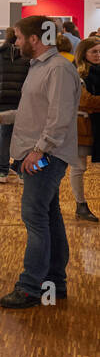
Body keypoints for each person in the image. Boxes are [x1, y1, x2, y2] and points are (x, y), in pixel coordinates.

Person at [0, 16, 81, 308]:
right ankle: (53, 282)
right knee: (48, 217)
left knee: (35, 217)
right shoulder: (41, 67)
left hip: (45, 157)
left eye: (19, 37)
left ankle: (30, 287)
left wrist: (39, 151)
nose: (16, 42)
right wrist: (3, 117)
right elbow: (34, 111)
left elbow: (59, 118)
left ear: (34, 39)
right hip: (38, 152)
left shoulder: (58, 69)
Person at [0, 26, 28, 183]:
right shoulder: (26, 57)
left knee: (5, 135)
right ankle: (20, 169)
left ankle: (2, 171)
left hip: (3, 101)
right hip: (22, 101)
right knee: (22, 136)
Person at [69, 37, 100, 222]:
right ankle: (80, 204)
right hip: (82, 126)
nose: (98, 55)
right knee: (79, 167)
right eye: (94, 51)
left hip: (96, 126)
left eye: (99, 51)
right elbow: (85, 101)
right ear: (84, 53)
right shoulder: (77, 74)